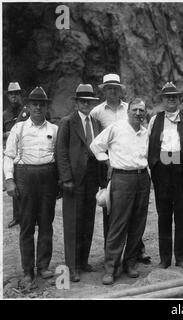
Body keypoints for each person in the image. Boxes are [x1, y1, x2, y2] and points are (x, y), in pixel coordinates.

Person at [90, 73, 150, 264]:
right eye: (109, 88)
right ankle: (111, 264)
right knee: (117, 220)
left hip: (140, 177)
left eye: (142, 111)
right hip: (117, 172)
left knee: (137, 221)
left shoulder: (144, 129)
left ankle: (131, 260)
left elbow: (148, 153)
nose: (138, 113)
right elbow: (95, 144)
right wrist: (106, 161)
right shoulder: (98, 113)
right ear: (104, 90)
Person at [3, 87, 59, 286]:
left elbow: (59, 158)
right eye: (34, 103)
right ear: (28, 106)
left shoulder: (54, 130)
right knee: (26, 226)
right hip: (25, 178)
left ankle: (43, 266)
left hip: (47, 179)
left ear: (46, 106)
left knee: (46, 224)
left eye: (41, 104)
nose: (38, 107)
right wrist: (9, 180)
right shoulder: (19, 129)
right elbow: (8, 155)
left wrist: (58, 182)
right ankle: (27, 270)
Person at [56, 84, 107, 282]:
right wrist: (66, 178)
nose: (86, 104)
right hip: (74, 181)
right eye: (82, 101)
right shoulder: (67, 122)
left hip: (92, 179)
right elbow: (61, 152)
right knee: (72, 223)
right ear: (76, 103)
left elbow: (100, 150)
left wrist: (103, 179)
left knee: (88, 220)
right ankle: (72, 266)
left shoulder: (95, 123)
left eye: (89, 101)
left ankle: (83, 261)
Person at [148, 82, 183, 269]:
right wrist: (153, 167)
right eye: (168, 97)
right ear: (163, 100)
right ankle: (165, 258)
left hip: (181, 170)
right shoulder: (154, 120)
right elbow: (149, 144)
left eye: (175, 97)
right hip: (162, 170)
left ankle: (181, 257)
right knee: (163, 215)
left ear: (180, 100)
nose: (171, 100)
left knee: (182, 215)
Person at [3, 82, 30, 229]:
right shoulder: (4, 114)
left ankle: (31, 216)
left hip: (26, 151)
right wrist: (5, 134)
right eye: (12, 94)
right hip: (11, 151)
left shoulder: (27, 111)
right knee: (14, 183)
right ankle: (16, 217)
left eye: (17, 93)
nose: (14, 96)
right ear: (8, 96)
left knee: (28, 186)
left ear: (21, 95)